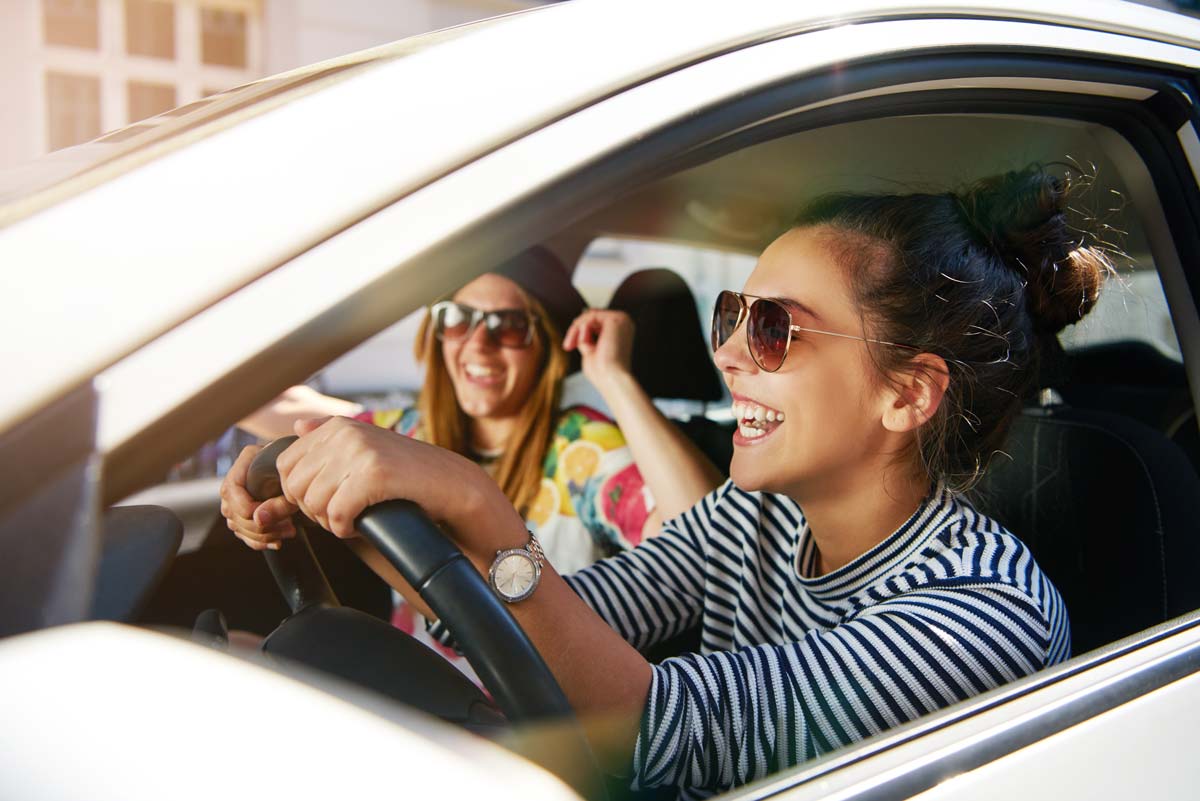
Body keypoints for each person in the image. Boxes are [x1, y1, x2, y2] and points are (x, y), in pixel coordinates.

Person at [223, 165, 1107, 798]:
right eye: (732, 316)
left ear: (905, 392)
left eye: (773, 329)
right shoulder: (752, 516)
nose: (725, 352)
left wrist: (477, 503)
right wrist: (340, 503)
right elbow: (550, 619)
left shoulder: (986, 609)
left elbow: (669, 737)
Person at [229, 247, 724, 671]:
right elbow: (285, 415)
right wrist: (257, 479)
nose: (478, 343)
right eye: (457, 319)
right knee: (235, 654)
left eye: (509, 326)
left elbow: (710, 541)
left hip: (530, 712)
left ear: (546, 347)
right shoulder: (407, 437)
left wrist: (613, 377)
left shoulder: (581, 448)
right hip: (421, 688)